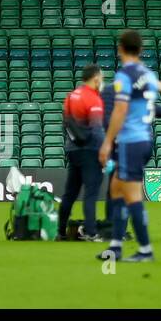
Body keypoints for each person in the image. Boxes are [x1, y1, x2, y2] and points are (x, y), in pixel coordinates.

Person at [98, 29, 161, 263]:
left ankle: (145, 250)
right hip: (143, 138)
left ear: (120, 48)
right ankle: (116, 246)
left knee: (131, 196)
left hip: (131, 140)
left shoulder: (125, 76)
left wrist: (107, 142)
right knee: (116, 189)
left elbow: (120, 110)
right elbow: (159, 99)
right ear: (140, 50)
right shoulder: (148, 75)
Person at [58, 64, 106, 241]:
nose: (102, 80)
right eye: (101, 77)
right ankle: (91, 232)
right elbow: (96, 130)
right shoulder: (93, 99)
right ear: (95, 78)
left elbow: (66, 123)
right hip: (89, 151)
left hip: (72, 150)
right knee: (91, 193)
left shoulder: (71, 96)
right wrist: (104, 151)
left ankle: (61, 232)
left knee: (69, 193)